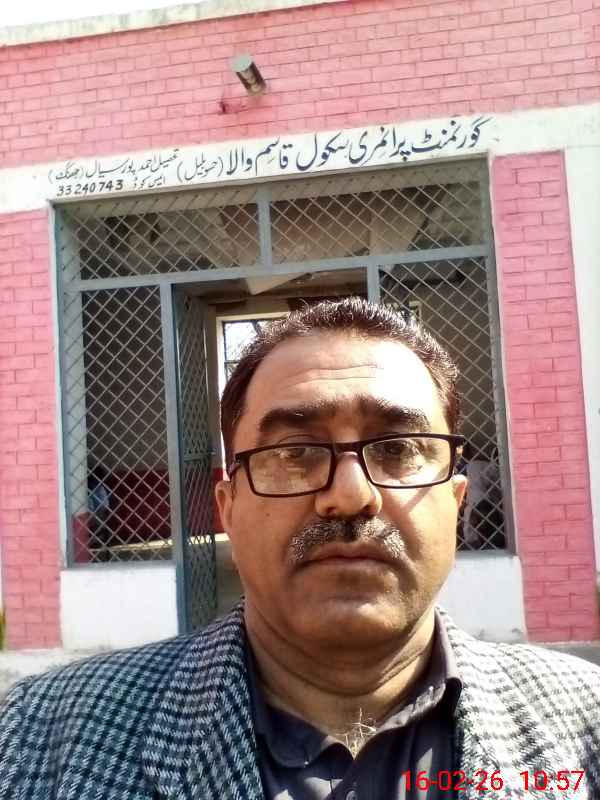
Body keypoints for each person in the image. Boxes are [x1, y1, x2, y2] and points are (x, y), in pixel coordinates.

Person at [1, 297, 599, 800]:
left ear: (456, 499)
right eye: (293, 454)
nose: (351, 496)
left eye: (397, 450)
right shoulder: (39, 742)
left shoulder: (586, 726)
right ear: (228, 509)